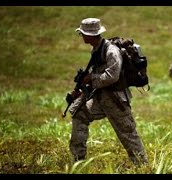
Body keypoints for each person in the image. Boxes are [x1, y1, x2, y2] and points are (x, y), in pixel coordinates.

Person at [69, 18, 147, 165]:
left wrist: (92, 78)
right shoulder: (96, 49)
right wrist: (82, 89)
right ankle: (78, 161)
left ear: (91, 35)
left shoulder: (111, 51)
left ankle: (142, 166)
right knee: (79, 114)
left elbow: (112, 76)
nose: (82, 37)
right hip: (101, 98)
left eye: (83, 34)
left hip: (115, 100)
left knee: (128, 133)